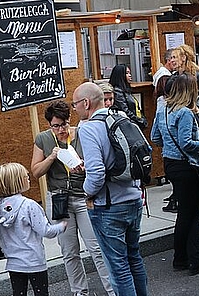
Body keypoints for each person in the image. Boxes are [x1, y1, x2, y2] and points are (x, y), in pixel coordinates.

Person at [31, 101, 114, 296]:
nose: (61, 129)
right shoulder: (43, 139)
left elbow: (98, 162)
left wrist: (86, 167)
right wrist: (52, 157)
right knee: (69, 251)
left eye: (64, 123)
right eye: (56, 125)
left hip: (83, 197)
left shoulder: (81, 133)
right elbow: (36, 171)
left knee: (96, 247)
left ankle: (112, 289)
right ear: (49, 125)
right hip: (60, 199)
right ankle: (79, 291)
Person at [76, 82, 148, 296]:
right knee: (134, 258)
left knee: (118, 268)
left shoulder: (88, 128)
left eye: (75, 104)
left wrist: (85, 193)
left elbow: (97, 173)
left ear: (86, 103)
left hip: (108, 206)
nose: (75, 109)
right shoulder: (122, 119)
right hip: (133, 199)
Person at [150, 74, 199, 275]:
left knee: (184, 213)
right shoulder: (185, 113)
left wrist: (169, 147)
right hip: (187, 166)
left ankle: (181, 258)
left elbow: (155, 137)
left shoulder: (163, 110)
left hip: (171, 164)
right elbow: (187, 142)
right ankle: (193, 259)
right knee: (193, 212)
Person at [0, 163, 67, 296]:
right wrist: (61, 226)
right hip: (34, 261)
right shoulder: (29, 205)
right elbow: (46, 231)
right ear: (17, 182)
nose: (28, 177)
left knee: (19, 293)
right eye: (25, 176)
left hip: (13, 262)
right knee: (41, 292)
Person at [109, 64, 147, 129]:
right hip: (129, 125)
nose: (130, 75)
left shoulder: (126, 90)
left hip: (135, 124)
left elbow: (136, 108)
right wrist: (140, 121)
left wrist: (142, 119)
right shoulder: (117, 92)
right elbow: (125, 110)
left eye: (129, 73)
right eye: (127, 73)